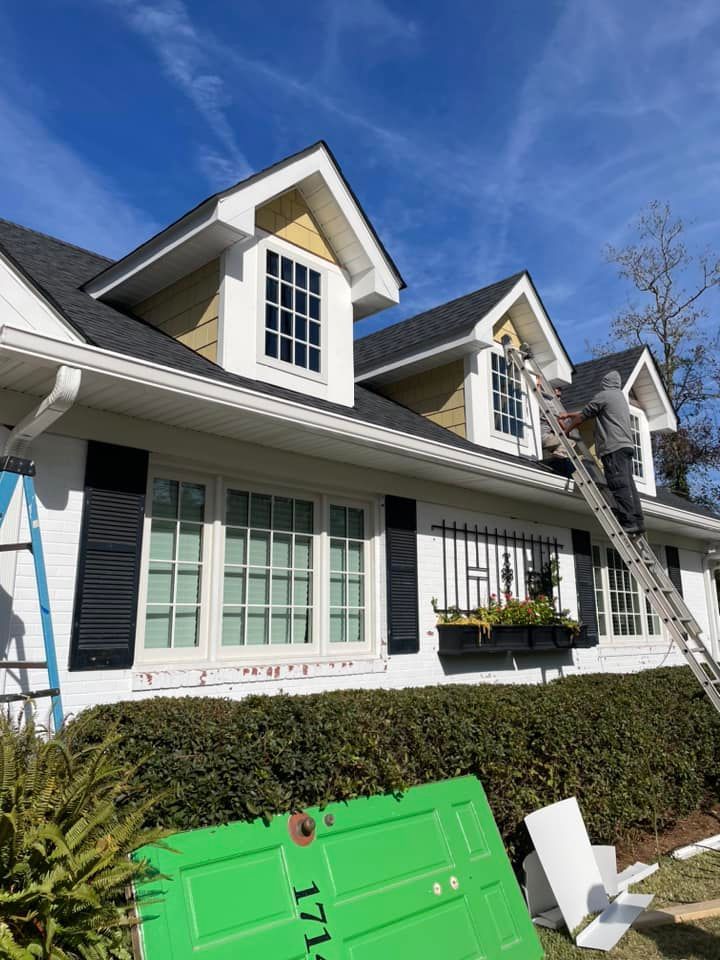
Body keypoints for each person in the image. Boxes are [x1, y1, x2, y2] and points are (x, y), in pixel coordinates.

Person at [559, 370, 645, 535]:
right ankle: (637, 522)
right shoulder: (619, 397)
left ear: (605, 382)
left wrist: (567, 430)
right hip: (625, 447)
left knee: (618, 484)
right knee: (628, 486)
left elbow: (583, 416)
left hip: (613, 448)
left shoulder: (604, 395)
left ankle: (628, 522)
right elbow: (591, 411)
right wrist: (568, 414)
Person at [537, 379, 574, 479]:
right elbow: (558, 422)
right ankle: (557, 455)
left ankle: (556, 458)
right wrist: (567, 429)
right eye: (557, 395)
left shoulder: (541, 400)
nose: (559, 398)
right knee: (569, 443)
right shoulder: (549, 403)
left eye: (560, 396)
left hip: (541, 437)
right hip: (544, 437)